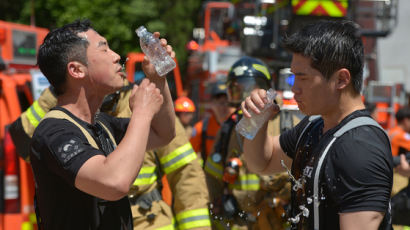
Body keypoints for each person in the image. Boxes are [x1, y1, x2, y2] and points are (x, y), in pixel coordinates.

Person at [240, 20, 393, 230]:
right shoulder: (313, 127)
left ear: (341, 79)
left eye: (303, 78)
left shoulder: (360, 147)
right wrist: (256, 121)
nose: (294, 89)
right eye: (293, 76)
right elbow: (261, 163)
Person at [29, 19, 176, 230]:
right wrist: (142, 113)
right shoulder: (54, 133)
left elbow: (163, 133)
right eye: (104, 49)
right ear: (77, 70)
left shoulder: (101, 124)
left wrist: (158, 79)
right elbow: (115, 183)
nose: (117, 56)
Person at [204, 56, 300, 230]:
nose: (246, 96)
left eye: (250, 88)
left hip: (278, 222)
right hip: (239, 223)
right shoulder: (229, 129)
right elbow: (212, 181)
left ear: (265, 87)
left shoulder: (289, 125)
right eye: (237, 89)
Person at [190, 80, 236, 163]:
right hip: (211, 174)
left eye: (227, 102)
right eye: (220, 102)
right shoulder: (201, 128)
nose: (223, 107)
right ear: (211, 104)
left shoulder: (240, 125)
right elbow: (189, 157)